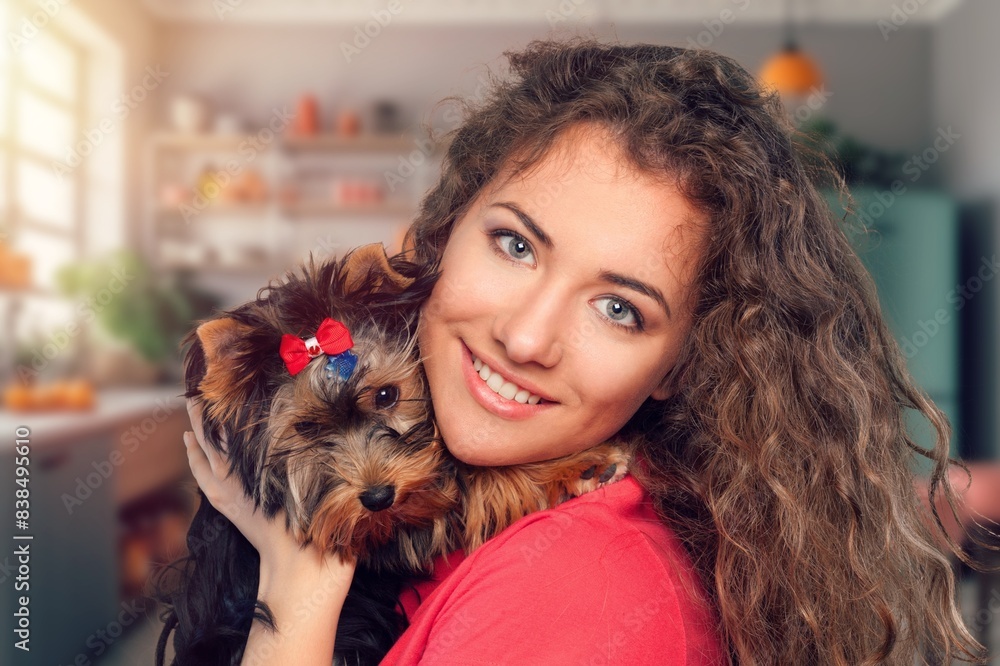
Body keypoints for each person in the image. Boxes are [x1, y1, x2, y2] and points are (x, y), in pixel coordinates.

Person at [182, 38, 983, 664]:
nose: (526, 337)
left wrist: (297, 594)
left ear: (683, 363)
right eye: (515, 245)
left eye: (618, 308)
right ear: (441, 233)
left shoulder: (577, 595)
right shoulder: (537, 510)